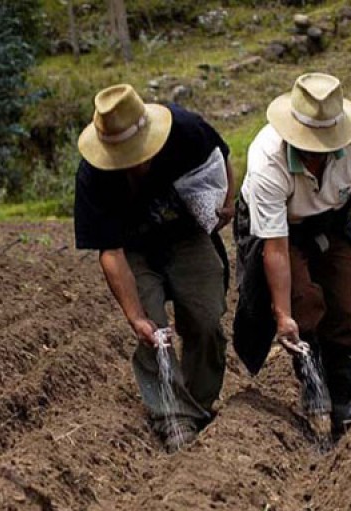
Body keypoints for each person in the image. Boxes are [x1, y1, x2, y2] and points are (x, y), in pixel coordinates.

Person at [234, 72, 351, 440]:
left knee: (346, 305)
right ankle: (314, 388)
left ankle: (343, 401)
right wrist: (282, 315)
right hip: (280, 229)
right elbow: (276, 248)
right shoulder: (268, 158)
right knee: (303, 303)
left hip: (330, 219)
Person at [74, 84, 235, 452]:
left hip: (187, 235)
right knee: (154, 330)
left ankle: (197, 404)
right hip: (134, 249)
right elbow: (111, 254)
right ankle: (171, 415)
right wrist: (135, 317)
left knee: (207, 319)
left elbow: (220, 157)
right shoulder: (93, 175)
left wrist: (226, 201)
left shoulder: (186, 129)